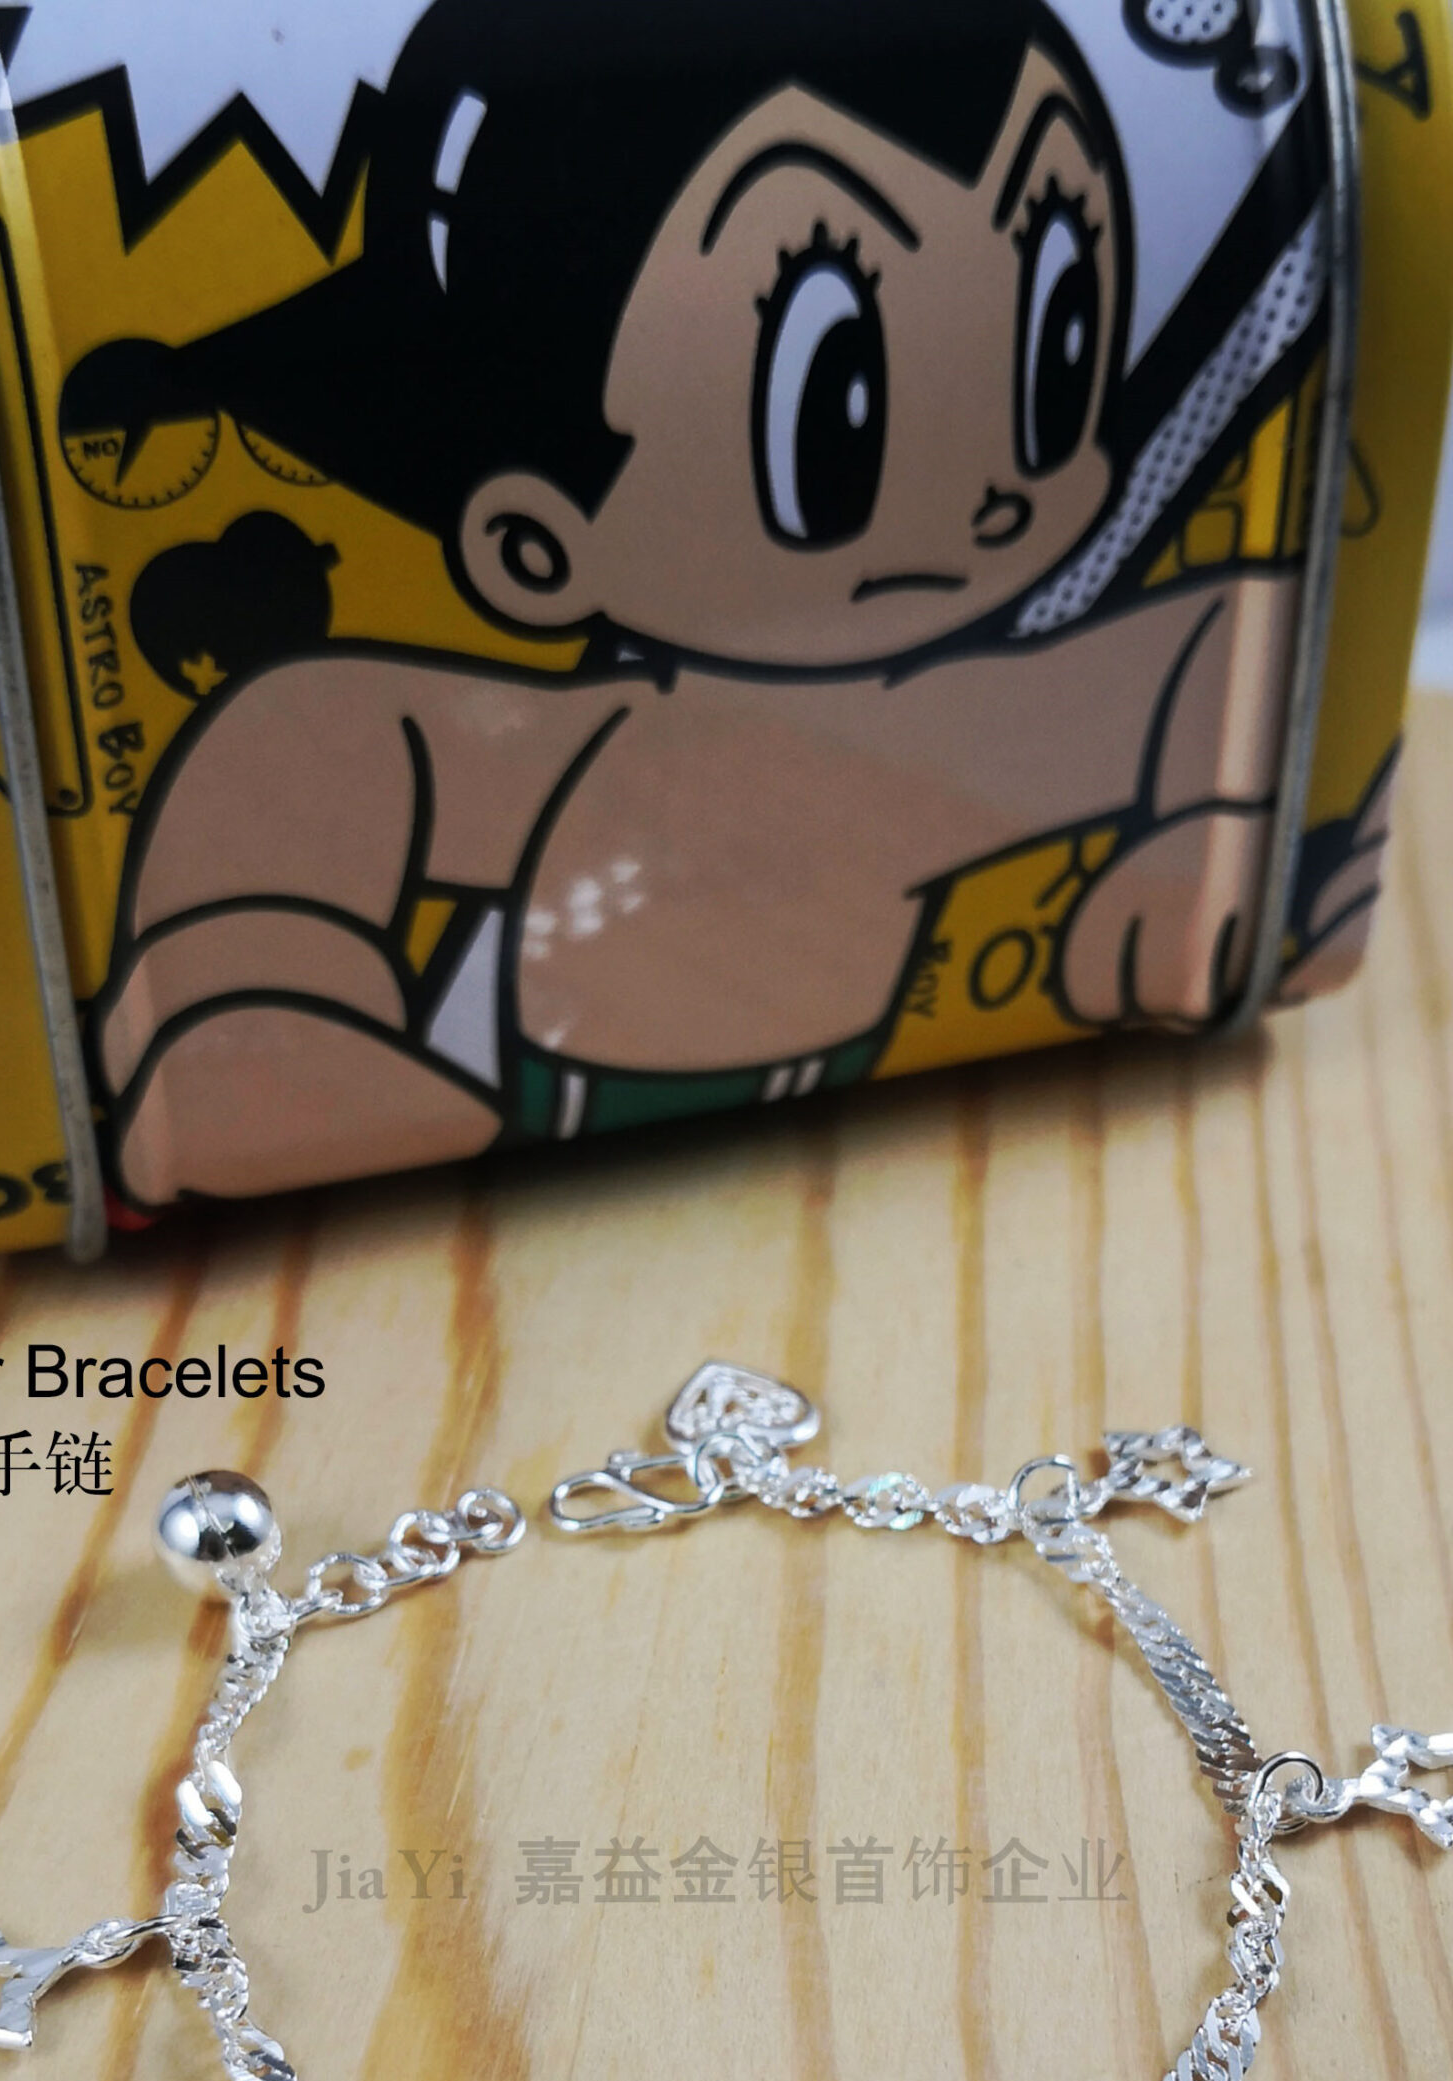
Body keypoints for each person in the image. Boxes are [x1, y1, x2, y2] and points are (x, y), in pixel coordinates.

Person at [72, 0, 1309, 1206]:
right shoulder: (574, 746)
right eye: (837, 414)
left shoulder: (962, 728)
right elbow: (304, 742)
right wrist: (260, 1000)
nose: (994, 495)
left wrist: (1195, 846)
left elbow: (1210, 642)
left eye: (1058, 346)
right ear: (534, 548)